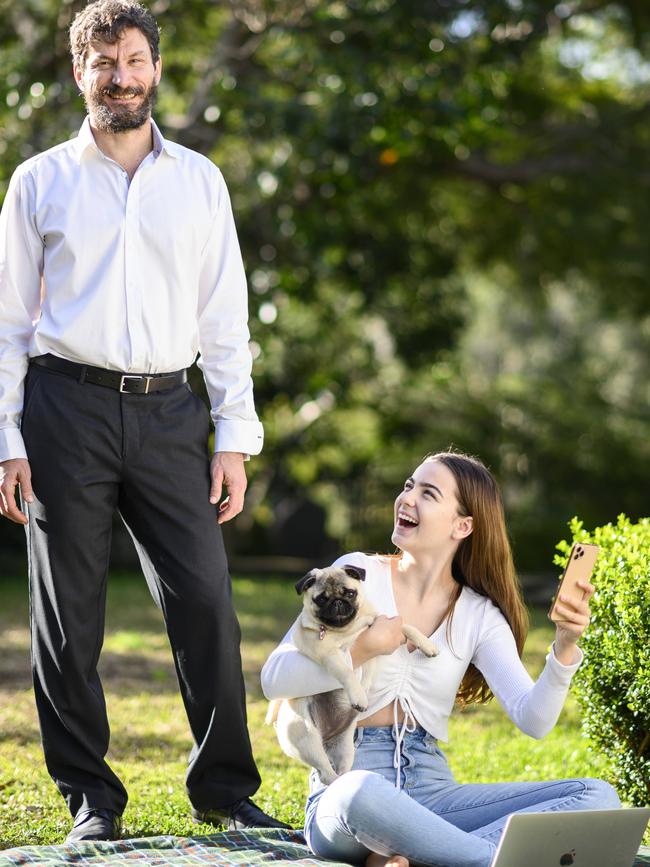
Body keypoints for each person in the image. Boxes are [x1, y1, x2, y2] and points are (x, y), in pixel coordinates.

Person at [0, 0, 290, 844]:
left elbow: (224, 316)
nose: (119, 77)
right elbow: (9, 323)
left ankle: (226, 790)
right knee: (68, 619)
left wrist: (234, 433)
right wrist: (6, 439)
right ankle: (92, 797)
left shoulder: (199, 180)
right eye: (103, 63)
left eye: (132, 60)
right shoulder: (39, 181)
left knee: (206, 599)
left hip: (171, 411)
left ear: (156, 68)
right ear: (79, 71)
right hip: (63, 409)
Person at [261, 451, 620, 867]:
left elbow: (534, 720)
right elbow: (274, 679)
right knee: (360, 791)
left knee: (597, 796)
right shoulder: (357, 575)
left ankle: (422, 854)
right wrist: (365, 646)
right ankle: (480, 859)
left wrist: (564, 645)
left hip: (434, 795)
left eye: (428, 493)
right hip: (348, 793)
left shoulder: (478, 615)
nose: (406, 499)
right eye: (409, 485)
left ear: (462, 525)